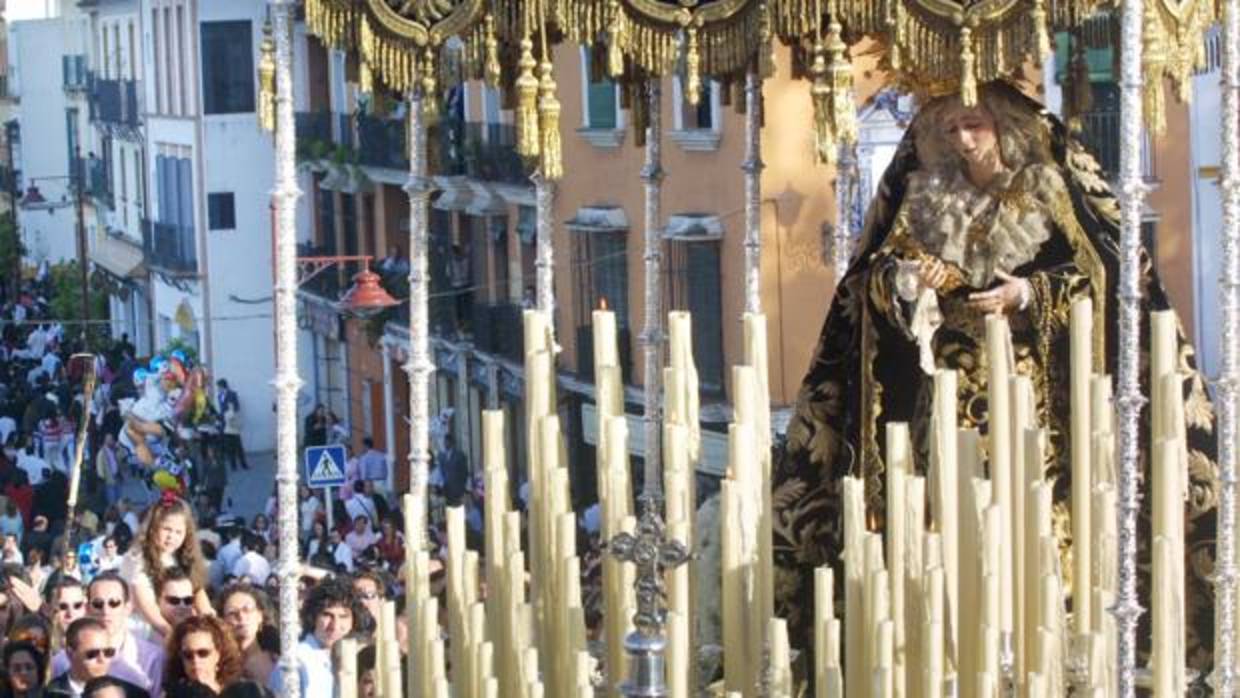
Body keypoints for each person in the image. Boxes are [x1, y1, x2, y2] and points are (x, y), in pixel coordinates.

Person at [770, 81, 1221, 665]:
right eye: (951, 129)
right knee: (953, 520)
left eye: (974, 125)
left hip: (1037, 400)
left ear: (1003, 126)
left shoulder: (1048, 191)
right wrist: (909, 285)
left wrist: (1028, 294)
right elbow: (876, 273)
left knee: (1034, 521)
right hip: (950, 398)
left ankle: (1049, 641)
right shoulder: (924, 196)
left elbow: (1105, 276)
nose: (963, 141)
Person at [119, 498, 211, 638]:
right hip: (145, 628)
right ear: (153, 528)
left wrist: (210, 622)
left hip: (174, 624)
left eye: (178, 532)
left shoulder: (180, 558)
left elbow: (198, 590)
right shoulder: (136, 558)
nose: (171, 537)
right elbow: (147, 605)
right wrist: (171, 634)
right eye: (167, 529)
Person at [270, 578, 368, 698]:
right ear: (313, 616)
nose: (335, 626)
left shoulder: (358, 655)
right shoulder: (296, 660)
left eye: (343, 616)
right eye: (327, 615)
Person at [45, 618, 148, 698]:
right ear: (70, 654)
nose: (102, 660)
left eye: (108, 652)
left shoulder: (134, 695)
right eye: (92, 654)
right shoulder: (48, 694)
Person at [163, 616, 242, 696]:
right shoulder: (173, 694)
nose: (195, 660)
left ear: (218, 655)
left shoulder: (242, 692)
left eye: (203, 653)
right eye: (188, 655)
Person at [215, 587, 275, 684]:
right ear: (223, 621)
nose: (241, 616)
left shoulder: (276, 661)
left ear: (260, 616)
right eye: (232, 613)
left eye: (247, 610)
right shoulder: (219, 666)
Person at [215, 381, 247, 473]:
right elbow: (221, 409)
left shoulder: (232, 394)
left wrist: (230, 411)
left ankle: (244, 464)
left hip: (232, 422)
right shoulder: (219, 396)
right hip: (224, 423)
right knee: (229, 446)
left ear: (222, 386)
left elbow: (237, 407)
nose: (218, 389)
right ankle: (233, 465)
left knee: (238, 445)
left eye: (218, 387)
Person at [154, 569, 198, 636]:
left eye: (188, 600)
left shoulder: (199, 634)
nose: (182, 606)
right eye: (174, 600)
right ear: (158, 600)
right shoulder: (140, 636)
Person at [436, 436, 469, 508]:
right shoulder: (442, 456)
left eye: (446, 442)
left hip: (457, 489)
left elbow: (464, 472)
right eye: (444, 442)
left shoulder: (459, 455)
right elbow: (441, 472)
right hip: (446, 489)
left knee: (457, 508)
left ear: (451, 442)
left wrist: (462, 487)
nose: (445, 444)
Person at [94, 434, 121, 510]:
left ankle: (118, 515)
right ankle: (112, 516)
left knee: (119, 500)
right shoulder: (102, 452)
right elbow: (99, 466)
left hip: (116, 477)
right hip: (109, 480)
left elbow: (120, 459)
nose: (111, 441)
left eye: (112, 439)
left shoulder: (114, 450)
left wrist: (118, 449)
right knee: (112, 502)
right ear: (105, 441)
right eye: (109, 439)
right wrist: (103, 477)